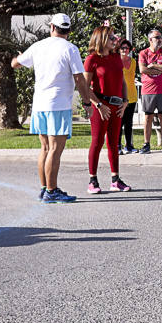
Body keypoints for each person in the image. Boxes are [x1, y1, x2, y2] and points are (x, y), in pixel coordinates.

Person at [12, 13, 103, 203]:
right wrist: (87, 103)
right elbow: (79, 79)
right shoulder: (71, 49)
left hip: (39, 105)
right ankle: (52, 191)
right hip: (58, 104)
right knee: (55, 149)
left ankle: (45, 188)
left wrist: (21, 56)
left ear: (52, 27)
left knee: (45, 148)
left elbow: (15, 64)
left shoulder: (38, 46)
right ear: (68, 30)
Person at [83, 25, 130, 194]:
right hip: (100, 106)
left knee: (113, 143)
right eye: (111, 37)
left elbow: (122, 82)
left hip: (117, 106)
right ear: (101, 39)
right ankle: (92, 180)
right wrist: (98, 105)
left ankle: (115, 180)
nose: (114, 40)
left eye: (114, 37)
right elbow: (85, 87)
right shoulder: (92, 59)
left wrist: (125, 102)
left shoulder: (117, 57)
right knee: (97, 142)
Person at [138, 29, 162, 153]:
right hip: (148, 90)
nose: (160, 40)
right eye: (157, 37)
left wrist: (153, 66)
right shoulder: (143, 53)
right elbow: (143, 69)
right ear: (150, 40)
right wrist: (161, 69)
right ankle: (146, 144)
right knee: (148, 117)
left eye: (161, 37)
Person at [118, 38, 139, 154]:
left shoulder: (133, 62)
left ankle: (129, 145)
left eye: (127, 48)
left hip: (132, 95)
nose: (125, 50)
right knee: (119, 123)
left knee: (129, 122)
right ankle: (117, 146)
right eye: (122, 48)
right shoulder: (115, 61)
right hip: (120, 96)